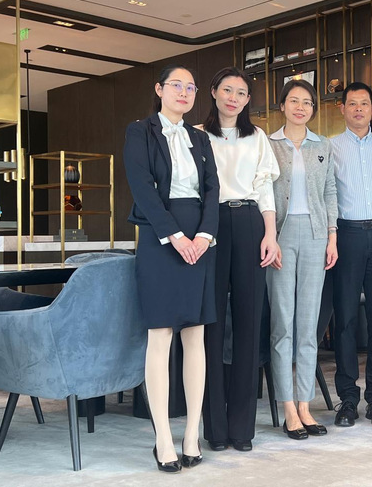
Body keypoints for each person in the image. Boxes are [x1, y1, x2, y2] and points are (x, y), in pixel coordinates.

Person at [123, 65, 219, 472]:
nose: (184, 92)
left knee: (196, 334)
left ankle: (191, 434)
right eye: (176, 85)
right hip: (160, 237)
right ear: (159, 89)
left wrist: (204, 236)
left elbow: (212, 189)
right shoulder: (139, 132)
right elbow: (141, 187)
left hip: (200, 238)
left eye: (190, 87)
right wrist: (175, 236)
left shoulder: (201, 137)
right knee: (160, 335)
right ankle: (163, 436)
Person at [198, 66, 280, 452]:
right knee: (211, 324)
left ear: (248, 100)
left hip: (249, 221)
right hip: (210, 225)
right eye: (227, 90)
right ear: (214, 91)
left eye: (242, 93)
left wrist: (270, 235)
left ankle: (242, 429)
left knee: (249, 321)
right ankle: (215, 429)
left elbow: (264, 188)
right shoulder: (196, 135)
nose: (234, 98)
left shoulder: (257, 136)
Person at [266, 79, 338, 440]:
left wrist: (332, 236)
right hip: (279, 236)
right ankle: (288, 408)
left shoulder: (322, 145)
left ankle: (305, 404)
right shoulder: (267, 144)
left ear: (313, 108)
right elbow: (260, 191)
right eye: (293, 101)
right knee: (283, 325)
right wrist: (267, 237)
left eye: (307, 102)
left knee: (309, 325)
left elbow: (330, 192)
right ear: (282, 106)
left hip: (315, 234)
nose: (300, 107)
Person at [330, 81, 372, 427]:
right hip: (346, 236)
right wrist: (331, 237)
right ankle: (347, 397)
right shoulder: (330, 147)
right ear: (342, 108)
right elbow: (328, 196)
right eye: (352, 103)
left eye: (364, 103)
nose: (358, 109)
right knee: (344, 319)